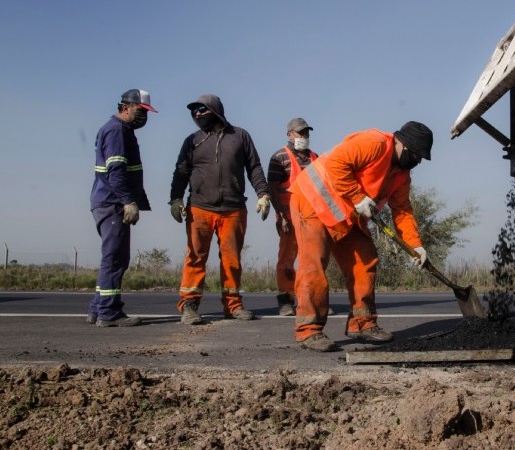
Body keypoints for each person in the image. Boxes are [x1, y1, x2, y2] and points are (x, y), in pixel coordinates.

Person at [289, 121, 433, 352]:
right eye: (414, 155)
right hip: (313, 200)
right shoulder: (374, 143)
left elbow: (403, 211)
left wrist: (415, 245)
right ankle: (309, 330)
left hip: (345, 213)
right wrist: (357, 196)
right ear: (401, 143)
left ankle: (362, 324)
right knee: (313, 264)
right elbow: (336, 163)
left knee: (365, 259)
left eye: (420, 159)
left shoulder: (402, 176)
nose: (416, 161)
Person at [169, 94, 271, 325]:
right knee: (195, 257)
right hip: (199, 208)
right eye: (194, 111)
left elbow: (254, 167)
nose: (196, 114)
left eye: (201, 110)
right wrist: (175, 199)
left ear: (215, 110)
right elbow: (181, 172)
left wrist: (263, 194)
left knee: (231, 260)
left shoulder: (240, 136)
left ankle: (233, 306)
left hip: (233, 209)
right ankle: (189, 306)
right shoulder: (192, 140)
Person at [88, 89, 157, 327]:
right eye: (141, 111)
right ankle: (109, 313)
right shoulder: (117, 131)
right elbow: (116, 171)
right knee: (116, 259)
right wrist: (128, 201)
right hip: (113, 202)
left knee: (112, 257)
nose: (144, 117)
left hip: (106, 201)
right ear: (126, 107)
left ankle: (98, 308)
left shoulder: (120, 129)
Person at [267, 117, 320, 316]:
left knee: (312, 260)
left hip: (312, 219)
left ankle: (311, 299)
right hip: (289, 219)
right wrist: (281, 216)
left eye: (306, 132)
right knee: (287, 260)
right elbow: (272, 189)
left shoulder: (315, 158)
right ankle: (285, 301)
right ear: (289, 134)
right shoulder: (279, 157)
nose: (304, 136)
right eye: (300, 132)